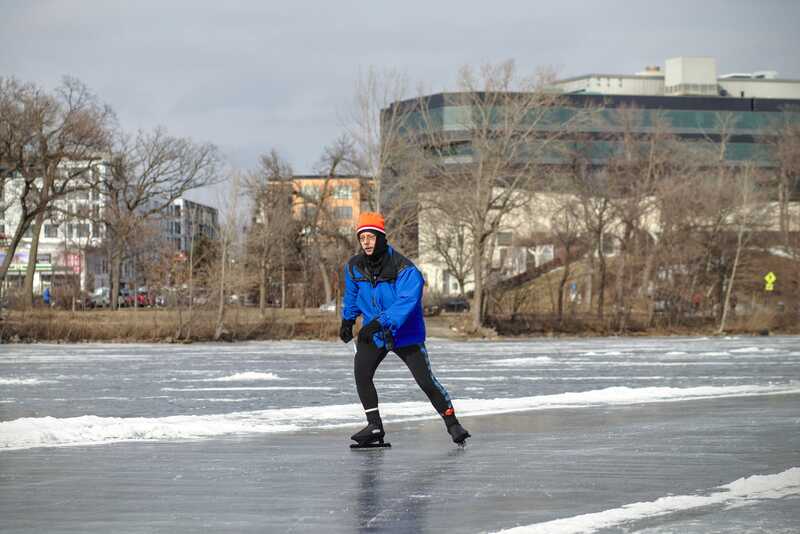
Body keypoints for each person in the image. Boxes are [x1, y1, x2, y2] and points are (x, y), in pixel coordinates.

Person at [340, 212, 470, 447]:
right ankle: (375, 426)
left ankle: (453, 423)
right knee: (362, 373)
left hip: (405, 332)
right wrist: (347, 320)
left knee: (425, 380)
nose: (366, 243)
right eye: (362, 238)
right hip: (375, 333)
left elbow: (406, 302)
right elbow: (352, 295)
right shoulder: (354, 267)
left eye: (371, 237)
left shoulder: (405, 269)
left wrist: (380, 322)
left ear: (381, 238)